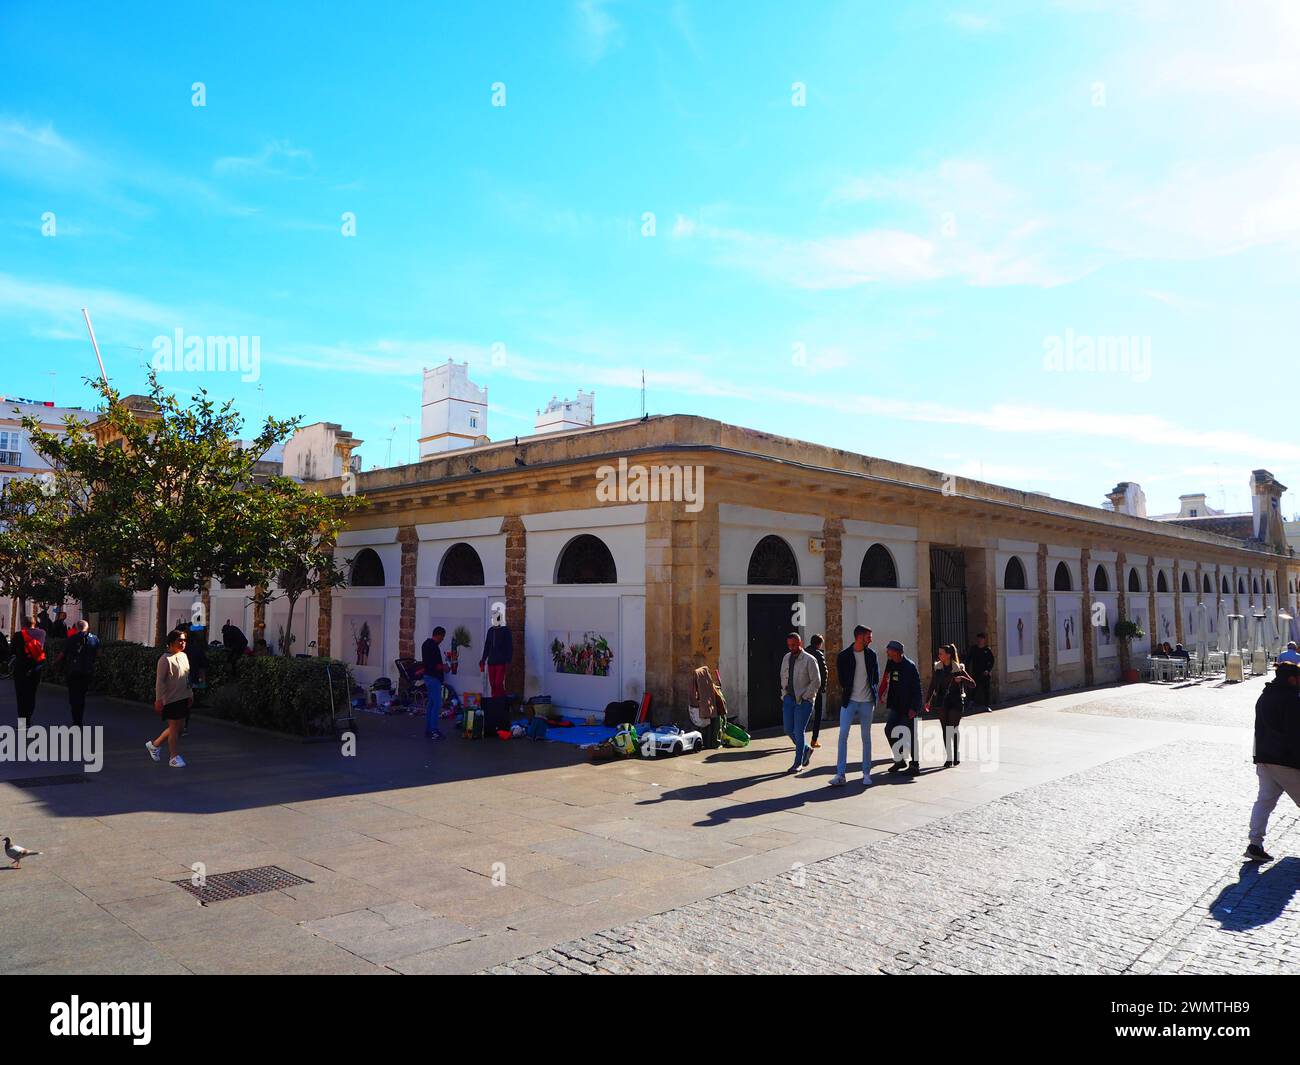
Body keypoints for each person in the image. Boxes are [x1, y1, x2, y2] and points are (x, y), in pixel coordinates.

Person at [1244, 661, 1300, 862]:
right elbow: (1295, 734)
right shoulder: (1291, 698)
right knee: (1265, 801)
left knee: (1264, 802)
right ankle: (1254, 844)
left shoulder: (1265, 695)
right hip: (1285, 760)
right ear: (1292, 679)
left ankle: (1254, 843)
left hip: (1264, 758)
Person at [830, 625, 879, 787]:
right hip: (849, 701)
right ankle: (840, 774)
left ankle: (866, 773)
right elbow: (842, 679)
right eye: (868, 637)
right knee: (843, 735)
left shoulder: (872, 655)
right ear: (859, 637)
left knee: (866, 737)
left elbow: (875, 677)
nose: (871, 639)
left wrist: (874, 695)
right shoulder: (844, 656)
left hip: (867, 702)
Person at [146, 629, 192, 768]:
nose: (183, 643)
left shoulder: (184, 656)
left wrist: (190, 694)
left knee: (179, 728)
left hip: (183, 697)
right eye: (180, 640)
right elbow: (160, 681)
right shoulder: (164, 659)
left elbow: (187, 676)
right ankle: (173, 757)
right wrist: (159, 699)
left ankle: (155, 744)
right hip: (171, 699)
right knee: (174, 729)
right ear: (172, 642)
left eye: (184, 640)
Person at [926, 643, 975, 768]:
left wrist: (961, 679)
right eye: (939, 653)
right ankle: (949, 757)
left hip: (956, 702)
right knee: (945, 729)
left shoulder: (958, 668)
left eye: (941, 653)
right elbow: (932, 685)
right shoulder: (938, 669)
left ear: (948, 655)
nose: (939, 655)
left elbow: (973, 684)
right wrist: (927, 701)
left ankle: (955, 754)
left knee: (952, 728)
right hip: (941, 702)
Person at [880, 640, 923, 776]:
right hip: (896, 706)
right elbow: (887, 679)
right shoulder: (891, 663)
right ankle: (899, 760)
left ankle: (915, 765)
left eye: (889, 650)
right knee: (889, 729)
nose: (887, 652)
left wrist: (914, 708)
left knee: (910, 736)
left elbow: (917, 689)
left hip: (909, 707)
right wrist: (883, 694)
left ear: (897, 652)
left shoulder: (910, 666)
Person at [779, 632, 821, 774]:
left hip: (804, 700)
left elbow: (816, 681)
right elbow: (783, 676)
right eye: (789, 645)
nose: (791, 648)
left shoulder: (809, 660)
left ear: (800, 643)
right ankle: (805, 749)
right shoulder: (786, 657)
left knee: (799, 730)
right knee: (788, 729)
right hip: (789, 699)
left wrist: (806, 696)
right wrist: (784, 695)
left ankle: (798, 763)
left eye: (794, 645)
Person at [57, 619, 99, 727]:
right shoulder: (94, 639)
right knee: (82, 695)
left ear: (77, 628)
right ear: (87, 627)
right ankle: (79, 716)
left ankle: (77, 720)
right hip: (87, 671)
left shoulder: (71, 639)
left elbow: (63, 654)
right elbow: (97, 654)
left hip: (73, 670)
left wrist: (56, 662)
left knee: (73, 696)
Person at [12, 613, 46, 723]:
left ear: (23, 624)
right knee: (31, 694)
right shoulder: (42, 633)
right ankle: (28, 720)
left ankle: (22, 723)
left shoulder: (18, 635)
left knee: (21, 696)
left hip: (21, 667)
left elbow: (12, 651)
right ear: (35, 623)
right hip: (36, 667)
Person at [421, 626, 451, 740]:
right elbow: (433, 664)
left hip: (428, 676)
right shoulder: (433, 647)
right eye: (442, 637)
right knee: (437, 704)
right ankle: (433, 730)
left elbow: (428, 663)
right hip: (434, 678)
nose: (442, 639)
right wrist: (444, 667)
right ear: (439, 635)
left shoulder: (426, 644)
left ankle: (429, 729)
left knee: (431, 704)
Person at [805, 634, 828, 758]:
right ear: (819, 644)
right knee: (818, 713)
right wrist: (822, 687)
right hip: (816, 689)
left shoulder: (804, 652)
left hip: (804, 689)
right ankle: (814, 740)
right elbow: (824, 671)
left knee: (803, 714)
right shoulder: (819, 654)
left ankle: (800, 738)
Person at [479, 618, 513, 698]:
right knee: (492, 684)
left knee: (498, 683)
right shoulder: (490, 631)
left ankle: (502, 699)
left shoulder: (505, 630)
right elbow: (487, 646)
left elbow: (509, 646)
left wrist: (508, 660)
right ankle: (495, 700)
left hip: (501, 662)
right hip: (491, 662)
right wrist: (483, 659)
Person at [965, 633, 995, 710]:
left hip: (985, 674)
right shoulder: (973, 649)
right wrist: (966, 670)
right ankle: (971, 703)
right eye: (978, 639)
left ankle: (987, 706)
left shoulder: (987, 650)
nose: (979, 641)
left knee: (986, 690)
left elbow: (992, 661)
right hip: (976, 672)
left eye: (981, 639)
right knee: (974, 688)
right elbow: (968, 660)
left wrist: (988, 670)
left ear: (984, 640)